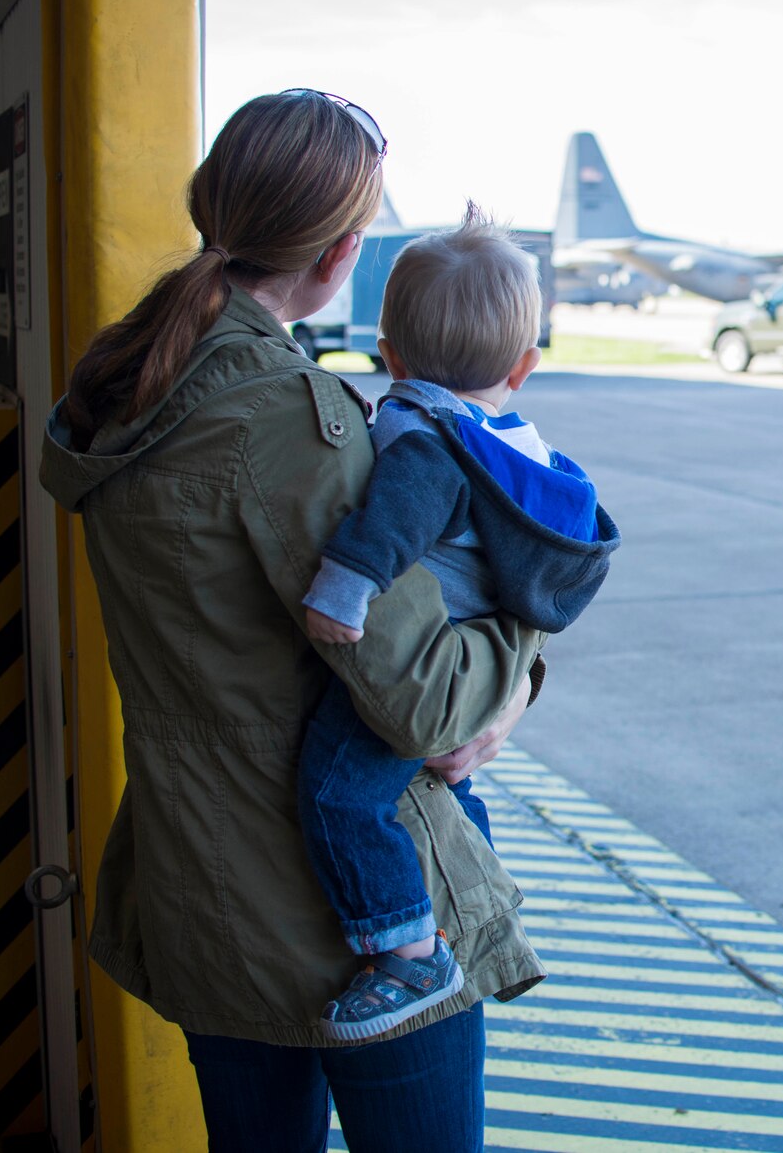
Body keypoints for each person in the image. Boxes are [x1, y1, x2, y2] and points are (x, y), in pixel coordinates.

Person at [38, 90, 543, 1153]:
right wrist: (521, 648)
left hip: (201, 894)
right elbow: (426, 704)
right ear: (342, 251)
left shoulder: (134, 386)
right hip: (356, 927)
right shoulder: (291, 425)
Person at [295, 206, 618, 1042]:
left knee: (336, 794)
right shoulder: (514, 440)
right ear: (525, 366)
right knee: (446, 788)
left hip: (414, 663)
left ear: (389, 355)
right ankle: (464, 894)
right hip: (471, 653)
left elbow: (395, 522)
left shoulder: (425, 437)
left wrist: (341, 590)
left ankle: (405, 946)